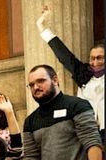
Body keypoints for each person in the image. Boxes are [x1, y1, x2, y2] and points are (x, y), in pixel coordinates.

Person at [21, 64, 103, 160]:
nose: (36, 87)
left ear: (55, 80)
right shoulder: (30, 121)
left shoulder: (77, 105)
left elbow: (93, 142)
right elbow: (30, 157)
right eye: (31, 84)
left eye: (41, 81)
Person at [37, 6, 105, 134]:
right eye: (92, 58)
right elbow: (62, 54)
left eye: (100, 58)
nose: (95, 62)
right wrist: (41, 25)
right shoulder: (83, 73)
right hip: (87, 129)